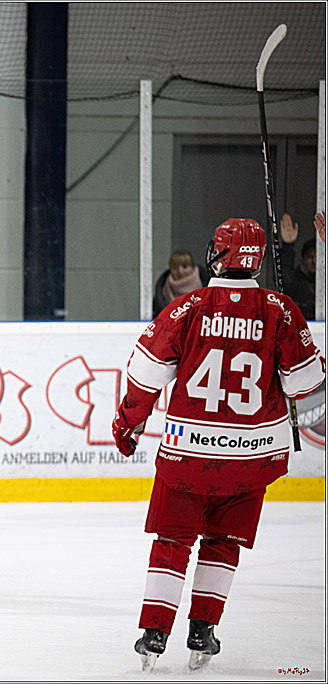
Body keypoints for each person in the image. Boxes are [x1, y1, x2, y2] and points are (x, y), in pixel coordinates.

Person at [110, 218, 326, 672]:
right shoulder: (281, 310)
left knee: (172, 540)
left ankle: (154, 632)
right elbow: (307, 385)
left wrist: (127, 425)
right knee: (223, 543)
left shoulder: (189, 307)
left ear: (218, 254)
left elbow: (144, 375)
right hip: (252, 458)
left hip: (188, 453)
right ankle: (203, 630)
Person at [279, 213, 316, 320]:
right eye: (310, 257)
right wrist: (288, 245)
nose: (314, 261)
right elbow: (284, 276)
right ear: (303, 259)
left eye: (318, 257)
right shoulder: (296, 283)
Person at [153, 249, 206, 319]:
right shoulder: (161, 293)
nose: (180, 271)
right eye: (175, 268)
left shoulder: (207, 287)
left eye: (185, 267)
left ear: (193, 267)